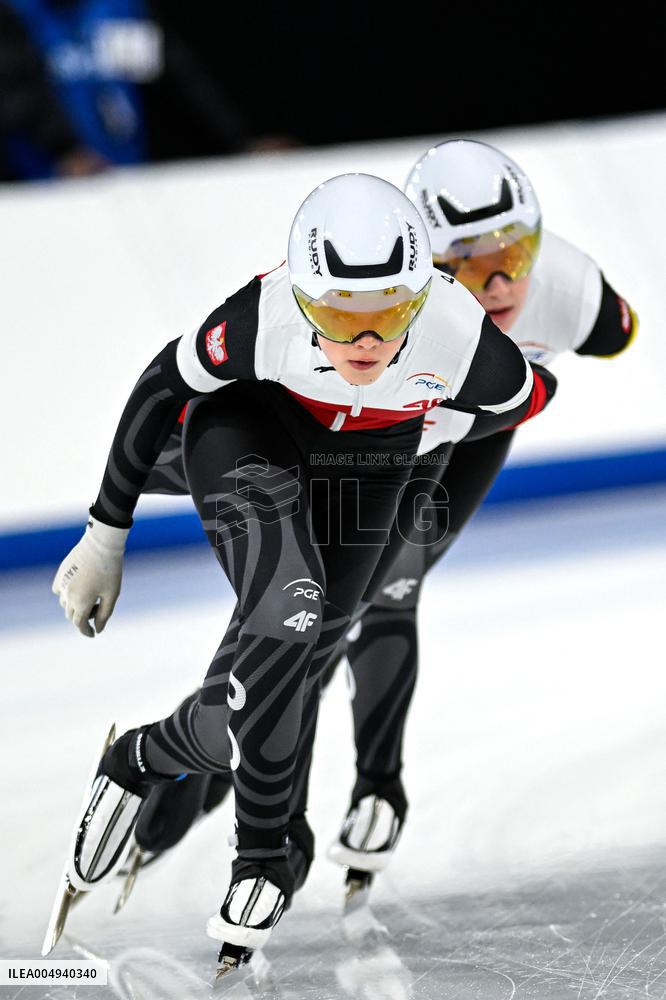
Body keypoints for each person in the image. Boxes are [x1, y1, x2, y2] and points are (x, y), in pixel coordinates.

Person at [50, 171, 553, 973]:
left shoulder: (467, 343)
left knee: (298, 663)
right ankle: (262, 854)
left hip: (372, 465)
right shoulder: (264, 316)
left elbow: (525, 396)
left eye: (387, 315)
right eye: (338, 316)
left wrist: (433, 430)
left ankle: (141, 758)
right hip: (251, 434)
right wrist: (105, 533)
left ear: (420, 296)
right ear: (304, 299)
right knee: (289, 606)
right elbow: (159, 385)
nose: (364, 342)